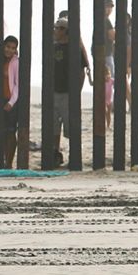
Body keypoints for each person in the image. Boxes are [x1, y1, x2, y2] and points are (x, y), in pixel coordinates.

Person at [47, 18, 91, 168]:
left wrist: (76, 93)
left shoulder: (74, 49)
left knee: (70, 127)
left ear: (65, 30)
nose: (55, 31)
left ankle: (74, 156)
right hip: (54, 91)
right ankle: (55, 155)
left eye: (58, 28)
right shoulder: (52, 47)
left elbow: (81, 72)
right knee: (53, 126)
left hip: (68, 93)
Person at [0, 36, 23, 169]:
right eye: (8, 47)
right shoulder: (0, 61)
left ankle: (9, 162)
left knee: (10, 132)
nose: (10, 50)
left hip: (11, 102)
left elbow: (17, 85)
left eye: (13, 48)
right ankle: (3, 160)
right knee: (2, 132)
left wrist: (11, 102)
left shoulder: (16, 63)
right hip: (0, 101)